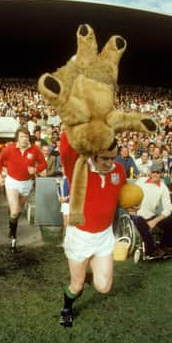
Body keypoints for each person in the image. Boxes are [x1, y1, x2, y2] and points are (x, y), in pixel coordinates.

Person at [58, 131, 126, 327]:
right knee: (76, 285)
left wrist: (130, 204)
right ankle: (67, 308)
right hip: (80, 236)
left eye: (113, 158)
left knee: (104, 287)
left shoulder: (119, 170)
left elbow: (121, 193)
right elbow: (65, 146)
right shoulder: (78, 168)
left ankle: (88, 275)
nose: (109, 163)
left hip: (104, 236)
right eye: (104, 158)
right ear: (93, 154)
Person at [0, 128, 46, 251]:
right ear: (17, 138)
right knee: (15, 210)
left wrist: (36, 169)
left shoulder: (34, 149)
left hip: (26, 183)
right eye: (22, 136)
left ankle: (11, 225)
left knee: (17, 212)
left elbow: (43, 163)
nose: (25, 139)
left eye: (26, 136)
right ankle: (13, 236)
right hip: (12, 182)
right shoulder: (9, 149)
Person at [133, 162, 172, 258]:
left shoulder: (163, 188)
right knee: (138, 220)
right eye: (153, 172)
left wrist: (154, 221)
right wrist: (131, 206)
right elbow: (131, 194)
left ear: (161, 174)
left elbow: (168, 208)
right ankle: (152, 250)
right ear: (150, 173)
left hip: (151, 216)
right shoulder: (140, 181)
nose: (155, 174)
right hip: (137, 214)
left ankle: (164, 246)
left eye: (158, 172)